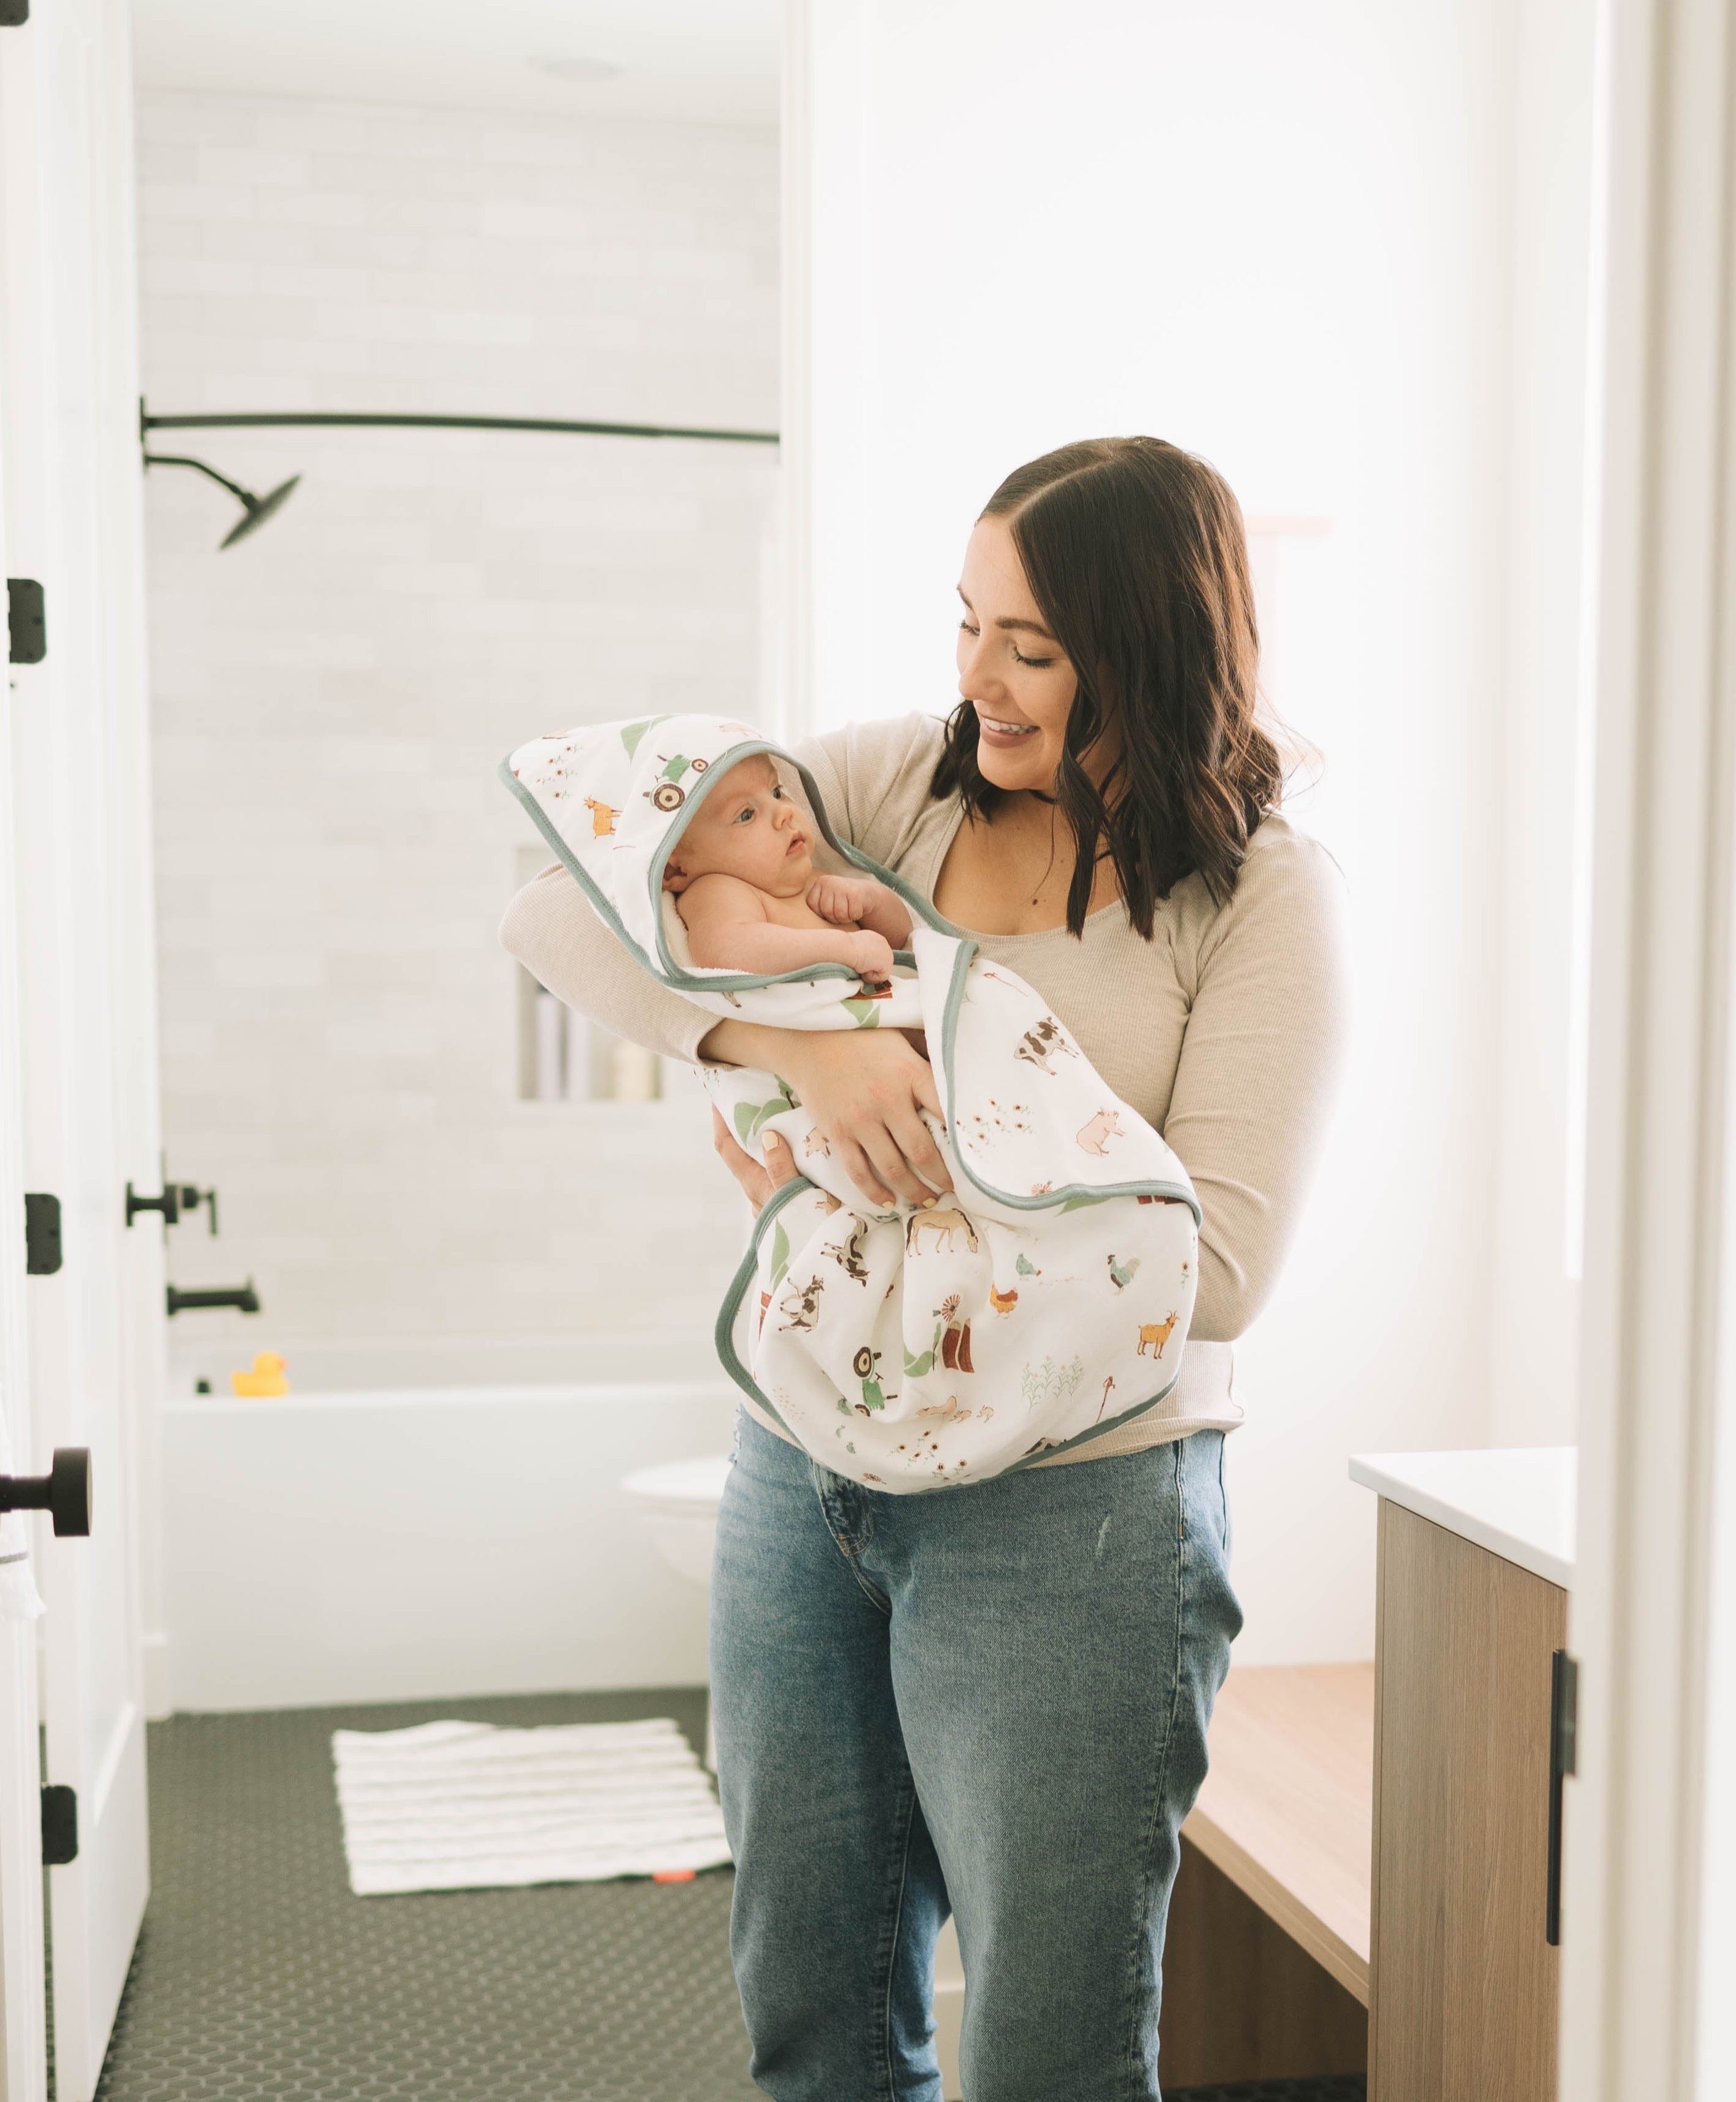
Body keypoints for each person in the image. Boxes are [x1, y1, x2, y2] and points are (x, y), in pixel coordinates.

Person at [500, 436, 1346, 2101]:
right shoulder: (897, 784)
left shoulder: (1259, 895)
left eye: (1028, 647)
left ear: (1153, 650)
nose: (976, 680)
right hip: (805, 1468)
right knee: (811, 2018)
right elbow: (555, 905)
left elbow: (1220, 1266)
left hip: (1074, 1518)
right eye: (964, 623)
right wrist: (788, 1047)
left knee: (1043, 2050)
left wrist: (907, 1161)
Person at [660, 749, 913, 980]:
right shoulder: (718, 889)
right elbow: (727, 950)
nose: (784, 812)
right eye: (746, 815)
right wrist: (847, 949)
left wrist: (871, 901)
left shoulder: (816, 881)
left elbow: (901, 939)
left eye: (777, 792)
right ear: (676, 869)